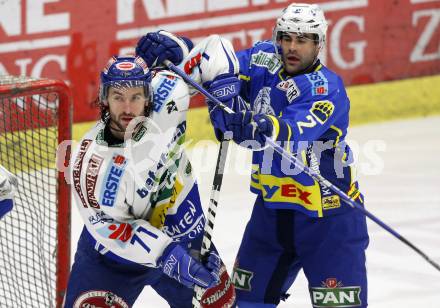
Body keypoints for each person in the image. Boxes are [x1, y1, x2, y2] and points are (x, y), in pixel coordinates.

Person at [135, 3, 369, 308]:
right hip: (271, 216)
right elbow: (218, 64)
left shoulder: (326, 88)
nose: (291, 47)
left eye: (302, 40)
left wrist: (259, 124)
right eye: (286, 38)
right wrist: (180, 50)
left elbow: (293, 130)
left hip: (328, 221)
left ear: (319, 43)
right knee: (243, 303)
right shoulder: (263, 59)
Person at [64, 53, 235, 307]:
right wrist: (167, 254)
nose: (127, 108)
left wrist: (226, 93)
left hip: (180, 230)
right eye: (118, 97)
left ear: (149, 96)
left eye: (136, 96)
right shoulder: (92, 164)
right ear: (104, 99)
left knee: (221, 304)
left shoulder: (169, 93)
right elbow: (113, 230)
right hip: (113, 260)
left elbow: (213, 51)